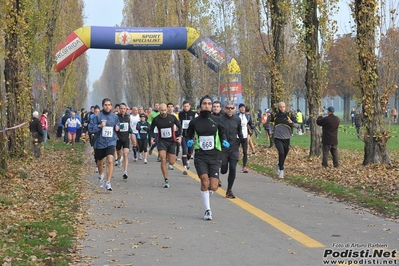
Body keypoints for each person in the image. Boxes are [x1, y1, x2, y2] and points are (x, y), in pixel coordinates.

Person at [186, 95, 229, 221]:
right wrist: (189, 141)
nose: (207, 105)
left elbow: (222, 134)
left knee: (214, 186)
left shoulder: (217, 120)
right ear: (200, 105)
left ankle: (210, 189)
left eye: (209, 104)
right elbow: (189, 134)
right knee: (204, 180)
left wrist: (225, 141)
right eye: (204, 103)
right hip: (200, 155)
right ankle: (207, 210)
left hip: (215, 155)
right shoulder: (195, 122)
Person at [89, 98, 120, 191]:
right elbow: (90, 129)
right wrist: (99, 126)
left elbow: (118, 124)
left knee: (110, 160)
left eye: (109, 105)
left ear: (111, 106)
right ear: (103, 106)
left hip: (111, 141)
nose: (107, 106)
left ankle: (108, 182)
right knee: (100, 162)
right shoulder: (97, 117)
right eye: (106, 105)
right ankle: (101, 175)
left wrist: (117, 127)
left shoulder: (114, 116)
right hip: (100, 143)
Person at [150, 103, 182, 188]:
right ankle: (166, 179)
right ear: (159, 110)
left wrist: (179, 136)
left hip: (171, 141)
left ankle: (169, 157)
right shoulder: (156, 119)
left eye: (165, 110)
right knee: (162, 159)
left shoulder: (172, 117)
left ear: (167, 110)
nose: (163, 112)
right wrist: (152, 137)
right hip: (162, 141)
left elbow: (179, 126)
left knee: (172, 162)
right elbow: (151, 129)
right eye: (162, 110)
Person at [219, 102, 243, 198]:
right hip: (224, 147)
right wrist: (222, 140)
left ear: (234, 109)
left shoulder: (237, 119)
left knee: (233, 168)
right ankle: (219, 174)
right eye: (228, 108)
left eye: (231, 108)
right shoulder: (220, 119)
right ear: (225, 109)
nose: (230, 110)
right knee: (224, 170)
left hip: (234, 146)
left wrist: (242, 143)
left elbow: (240, 132)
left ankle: (229, 190)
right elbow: (218, 132)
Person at [272, 102, 296, 179]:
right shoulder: (276, 116)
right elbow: (271, 124)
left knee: (285, 154)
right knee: (281, 152)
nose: (282, 108)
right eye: (281, 107)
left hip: (287, 138)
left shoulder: (289, 115)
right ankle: (281, 170)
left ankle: (279, 164)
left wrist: (292, 123)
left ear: (285, 107)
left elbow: (297, 125)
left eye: (283, 107)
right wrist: (271, 131)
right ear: (278, 108)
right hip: (278, 138)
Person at [178, 100, 196, 174]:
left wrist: (195, 134)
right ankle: (184, 167)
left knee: (190, 151)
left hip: (190, 135)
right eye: (184, 106)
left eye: (187, 106)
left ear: (190, 106)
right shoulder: (181, 114)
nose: (186, 108)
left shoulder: (193, 114)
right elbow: (179, 123)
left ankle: (188, 160)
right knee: (184, 150)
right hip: (183, 135)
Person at [236, 103, 254, 173]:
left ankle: (244, 166)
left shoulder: (248, 116)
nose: (242, 109)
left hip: (245, 136)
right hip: (237, 136)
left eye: (243, 107)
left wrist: (252, 126)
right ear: (239, 109)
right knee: (236, 151)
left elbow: (251, 123)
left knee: (245, 152)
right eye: (241, 107)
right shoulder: (236, 116)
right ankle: (234, 164)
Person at [116, 103, 132, 179]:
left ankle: (125, 171)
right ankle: (119, 158)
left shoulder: (128, 117)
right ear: (119, 109)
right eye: (121, 108)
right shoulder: (116, 117)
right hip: (118, 138)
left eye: (124, 108)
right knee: (119, 153)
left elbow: (130, 127)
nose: (122, 110)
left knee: (125, 154)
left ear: (126, 109)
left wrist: (132, 136)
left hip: (126, 138)